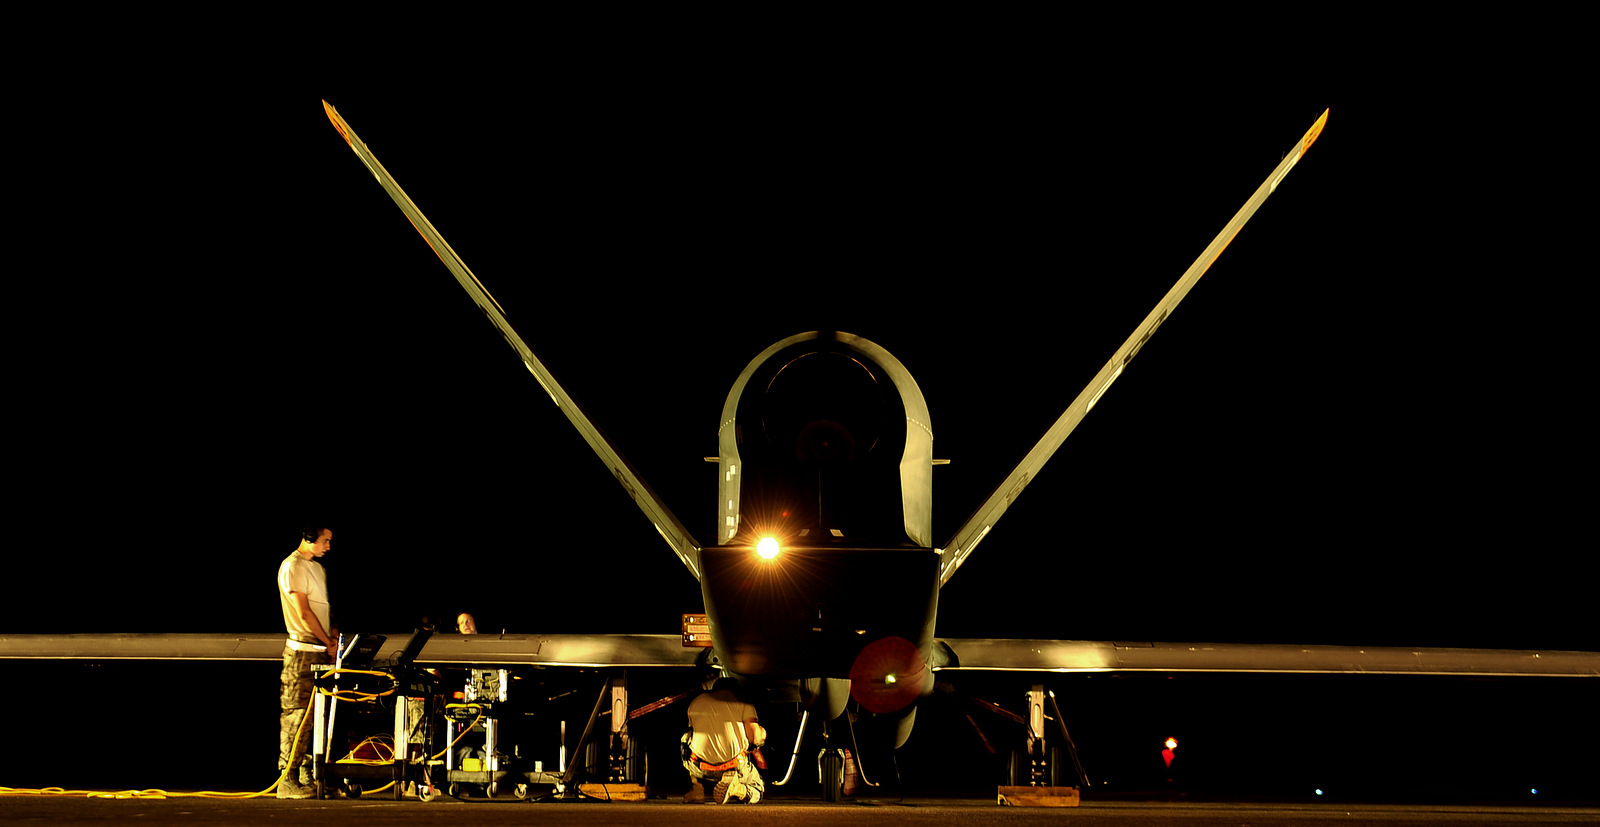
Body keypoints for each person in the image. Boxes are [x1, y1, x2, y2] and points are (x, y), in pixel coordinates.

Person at [276, 525, 336, 800]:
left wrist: (333, 637)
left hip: (320, 650)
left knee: (314, 719)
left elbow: (322, 609)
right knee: (297, 715)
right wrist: (326, 640)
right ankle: (286, 779)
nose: (328, 546)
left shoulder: (317, 569)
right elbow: (303, 612)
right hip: (302, 653)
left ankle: (306, 775)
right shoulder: (293, 565)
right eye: (325, 540)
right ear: (310, 537)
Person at [683, 677, 765, 804]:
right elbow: (754, 737)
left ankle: (696, 788)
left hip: (701, 766)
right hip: (733, 764)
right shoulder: (742, 701)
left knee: (685, 739)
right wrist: (762, 734)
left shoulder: (696, 701)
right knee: (758, 791)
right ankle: (737, 788)